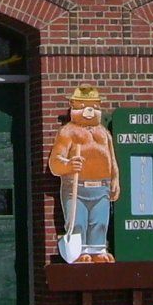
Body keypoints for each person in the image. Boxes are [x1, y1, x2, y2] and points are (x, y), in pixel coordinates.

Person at [48, 83, 120, 263]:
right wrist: (69, 165)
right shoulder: (67, 132)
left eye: (94, 106)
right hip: (76, 188)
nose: (89, 111)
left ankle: (97, 251)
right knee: (77, 222)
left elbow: (111, 158)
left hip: (101, 187)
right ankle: (78, 252)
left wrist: (115, 179)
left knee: (100, 222)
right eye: (83, 106)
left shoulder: (104, 133)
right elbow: (55, 162)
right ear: (73, 106)